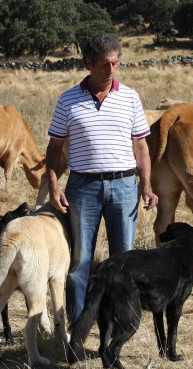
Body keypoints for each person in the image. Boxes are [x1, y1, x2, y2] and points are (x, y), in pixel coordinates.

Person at [46, 33, 158, 322]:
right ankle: (76, 325)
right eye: (104, 65)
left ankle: (120, 321)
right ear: (88, 63)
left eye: (115, 64)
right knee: (80, 260)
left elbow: (141, 146)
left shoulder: (130, 97)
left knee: (124, 259)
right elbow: (55, 146)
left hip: (124, 186)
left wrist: (146, 184)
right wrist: (53, 185)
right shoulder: (68, 100)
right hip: (83, 187)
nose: (110, 71)